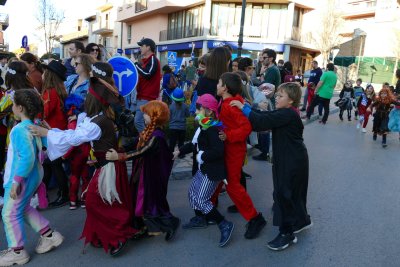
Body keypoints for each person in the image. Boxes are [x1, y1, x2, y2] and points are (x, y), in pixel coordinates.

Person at [30, 77, 137, 255]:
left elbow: (74, 138)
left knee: (98, 201)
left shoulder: (97, 122)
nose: (85, 97)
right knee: (99, 201)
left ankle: (118, 236)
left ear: (92, 100)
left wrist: (47, 132)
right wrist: (49, 130)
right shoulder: (94, 118)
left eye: (88, 94)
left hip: (108, 167)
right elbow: (74, 134)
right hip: (104, 166)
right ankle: (102, 234)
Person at [230, 82, 311, 251]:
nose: (277, 97)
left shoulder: (288, 114)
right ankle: (302, 221)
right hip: (292, 158)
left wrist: (243, 108)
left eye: (281, 96)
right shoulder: (285, 112)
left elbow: (262, 121)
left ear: (291, 101)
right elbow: (264, 116)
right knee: (292, 192)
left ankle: (287, 233)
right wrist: (248, 107)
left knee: (283, 194)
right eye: (277, 94)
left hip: (291, 161)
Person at [0, 89, 64, 266]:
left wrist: (16, 181)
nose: (12, 107)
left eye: (13, 105)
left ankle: (17, 252)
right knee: (23, 208)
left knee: (9, 213)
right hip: (34, 174)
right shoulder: (34, 125)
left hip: (22, 177)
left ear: (20, 108)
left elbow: (26, 158)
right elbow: (42, 147)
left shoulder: (19, 129)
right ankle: (49, 236)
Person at [105, 101, 180, 242]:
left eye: (146, 113)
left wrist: (120, 156)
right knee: (138, 199)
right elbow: (136, 143)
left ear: (154, 117)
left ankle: (170, 224)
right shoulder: (148, 131)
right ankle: (142, 227)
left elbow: (141, 151)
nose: (143, 115)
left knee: (150, 203)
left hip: (151, 177)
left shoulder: (157, 136)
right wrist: (121, 148)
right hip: (143, 172)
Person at [174, 94, 234, 247]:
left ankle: (224, 224)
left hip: (212, 171)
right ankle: (200, 218)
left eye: (199, 108)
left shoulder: (213, 128)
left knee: (201, 199)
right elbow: (195, 144)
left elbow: (218, 151)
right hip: (204, 168)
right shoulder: (204, 125)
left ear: (208, 111)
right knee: (192, 193)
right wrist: (179, 151)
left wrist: (202, 156)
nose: (195, 111)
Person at [217, 72, 266, 239]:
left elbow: (246, 128)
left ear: (224, 88)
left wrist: (228, 135)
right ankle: (208, 209)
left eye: (219, 83)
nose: (217, 86)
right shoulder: (227, 102)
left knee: (233, 186)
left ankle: (255, 218)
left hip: (234, 151)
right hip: (228, 149)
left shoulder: (231, 105)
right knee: (226, 183)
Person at [40, 60, 70, 208]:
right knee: (51, 165)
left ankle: (64, 195)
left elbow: (43, 113)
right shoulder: (59, 90)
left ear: (50, 75)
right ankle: (47, 195)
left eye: (45, 71)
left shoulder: (49, 92)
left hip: (51, 132)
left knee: (54, 166)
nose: (42, 74)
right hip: (58, 131)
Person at [133, 38, 161, 133]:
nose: (140, 48)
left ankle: (148, 140)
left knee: (138, 121)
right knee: (146, 122)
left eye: (142, 46)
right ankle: (148, 141)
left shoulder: (153, 59)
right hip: (142, 96)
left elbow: (148, 74)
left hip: (147, 97)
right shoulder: (146, 61)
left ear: (148, 47)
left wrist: (136, 65)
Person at [168, 88, 189, 152]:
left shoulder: (171, 106)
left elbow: (169, 116)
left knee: (172, 143)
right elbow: (188, 115)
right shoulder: (185, 106)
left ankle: (170, 154)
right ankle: (181, 154)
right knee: (181, 143)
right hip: (182, 128)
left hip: (172, 128)